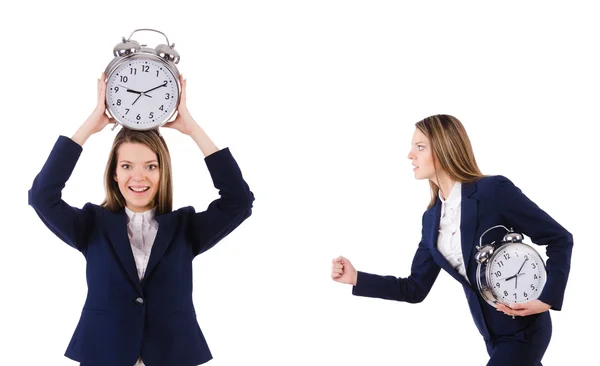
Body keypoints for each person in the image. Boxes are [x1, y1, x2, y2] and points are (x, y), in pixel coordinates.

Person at [28, 73, 255, 366]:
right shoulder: (92, 226)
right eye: (126, 166)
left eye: (150, 166)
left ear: (163, 173)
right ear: (115, 173)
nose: (138, 177)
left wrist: (192, 129)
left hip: (172, 355)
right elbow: (42, 196)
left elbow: (239, 201)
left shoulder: (186, 229)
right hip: (104, 355)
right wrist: (89, 127)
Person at [331, 114, 572, 366]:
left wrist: (547, 298)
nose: (410, 155)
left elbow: (559, 238)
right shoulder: (431, 219)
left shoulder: (492, 191)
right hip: (491, 335)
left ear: (445, 149)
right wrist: (356, 277)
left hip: (525, 331)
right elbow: (415, 288)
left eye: (420, 146)